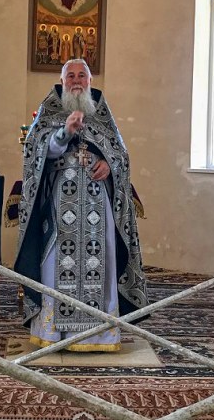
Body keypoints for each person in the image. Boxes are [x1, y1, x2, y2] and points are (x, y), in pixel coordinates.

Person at [14, 59, 148, 351]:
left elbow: (121, 155)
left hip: (98, 205)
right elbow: (37, 151)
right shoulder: (50, 109)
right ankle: (53, 334)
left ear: (89, 81)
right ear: (62, 82)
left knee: (102, 264)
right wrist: (64, 131)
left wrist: (109, 165)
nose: (76, 80)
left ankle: (98, 336)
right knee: (54, 266)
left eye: (82, 75)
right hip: (58, 205)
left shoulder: (101, 113)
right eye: (70, 76)